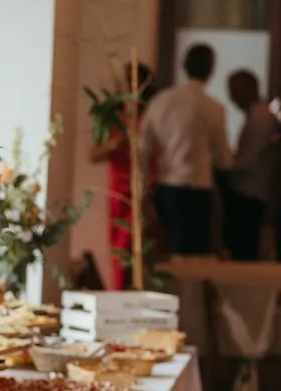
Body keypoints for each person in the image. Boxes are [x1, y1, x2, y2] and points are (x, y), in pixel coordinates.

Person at [140, 43, 233, 255]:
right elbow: (222, 159)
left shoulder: (160, 101)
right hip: (199, 187)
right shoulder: (213, 108)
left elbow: (143, 149)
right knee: (196, 254)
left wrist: (144, 189)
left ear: (184, 66)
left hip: (167, 186)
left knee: (169, 251)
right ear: (211, 69)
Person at [90, 62, 158, 290]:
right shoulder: (115, 117)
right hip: (118, 191)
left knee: (139, 250)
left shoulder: (151, 115)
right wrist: (116, 144)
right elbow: (94, 153)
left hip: (144, 188)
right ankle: (118, 294)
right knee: (119, 249)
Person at [224, 70, 278, 260]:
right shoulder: (257, 116)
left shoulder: (261, 119)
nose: (231, 98)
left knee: (244, 250)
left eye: (234, 92)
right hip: (250, 192)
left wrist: (225, 162)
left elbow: (247, 160)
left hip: (250, 193)